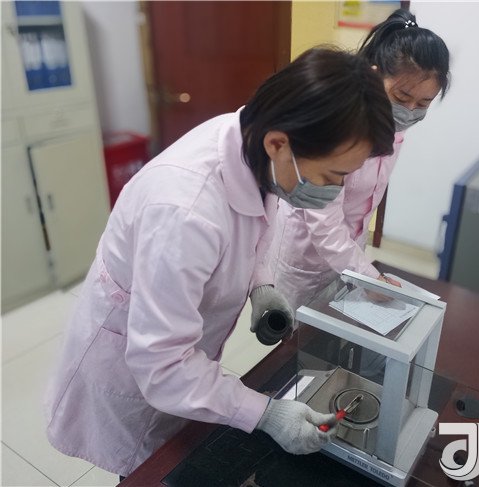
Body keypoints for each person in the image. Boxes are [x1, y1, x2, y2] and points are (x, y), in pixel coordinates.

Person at [43, 47, 395, 478]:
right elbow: (163, 366)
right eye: (330, 177)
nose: (333, 192)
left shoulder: (254, 145)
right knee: (148, 472)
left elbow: (253, 226)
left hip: (176, 355)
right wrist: (266, 413)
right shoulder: (184, 213)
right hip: (136, 371)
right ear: (279, 144)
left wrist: (261, 285)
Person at [269, 9, 451, 313]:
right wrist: (368, 277)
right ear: (375, 75)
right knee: (297, 332)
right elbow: (324, 222)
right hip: (305, 254)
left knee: (336, 327)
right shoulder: (339, 128)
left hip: (349, 252)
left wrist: (361, 267)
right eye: (402, 97)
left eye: (423, 103)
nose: (410, 110)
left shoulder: (393, 127)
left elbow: (364, 203)